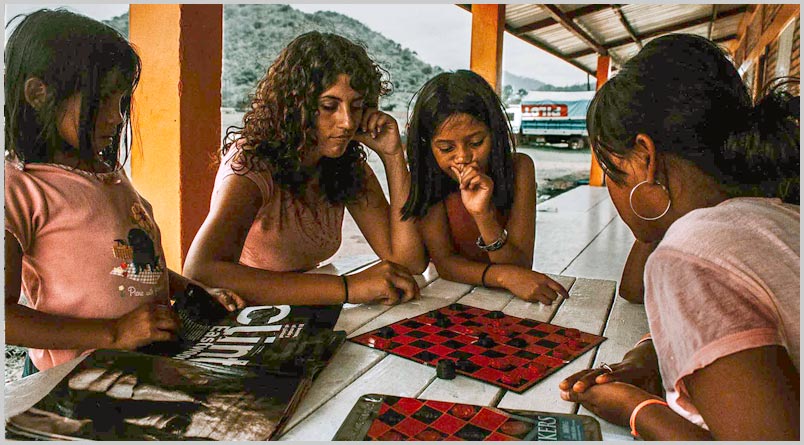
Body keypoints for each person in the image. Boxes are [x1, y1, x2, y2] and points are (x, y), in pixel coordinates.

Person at [557, 34, 799, 440]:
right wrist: (652, 354)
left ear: (645, 157)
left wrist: (639, 411)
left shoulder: (692, 251)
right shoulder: (769, 211)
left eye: (609, 166)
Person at [4, 9, 244, 376]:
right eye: (103, 102)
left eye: (121, 103)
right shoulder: (20, 187)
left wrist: (190, 289)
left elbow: (135, 267)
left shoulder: (108, 172)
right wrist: (114, 333)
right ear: (39, 94)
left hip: (136, 362)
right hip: (71, 377)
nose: (117, 118)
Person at [183, 32, 426, 306]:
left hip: (307, 309)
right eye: (329, 106)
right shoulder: (252, 165)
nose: (347, 122)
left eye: (356, 106)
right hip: (245, 315)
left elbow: (410, 263)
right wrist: (346, 287)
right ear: (296, 106)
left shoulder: (345, 165)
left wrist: (393, 156)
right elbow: (200, 271)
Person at [401, 70, 568, 304]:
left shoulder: (519, 168)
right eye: (447, 148)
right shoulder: (428, 178)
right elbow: (446, 263)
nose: (463, 157)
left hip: (509, 299)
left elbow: (521, 266)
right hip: (448, 295)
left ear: (495, 133)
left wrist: (483, 215)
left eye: (476, 142)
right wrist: (503, 277)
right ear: (429, 146)